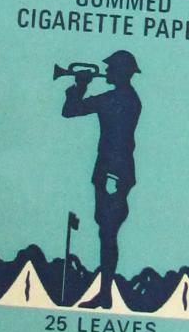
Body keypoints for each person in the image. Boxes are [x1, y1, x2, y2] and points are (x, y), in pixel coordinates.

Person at [61, 50, 142, 309]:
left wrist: (80, 86)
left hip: (112, 173)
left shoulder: (117, 99)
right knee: (106, 232)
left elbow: (70, 111)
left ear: (120, 71)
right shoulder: (123, 98)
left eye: (110, 68)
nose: (105, 72)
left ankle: (105, 293)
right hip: (114, 173)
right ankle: (105, 293)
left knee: (107, 233)